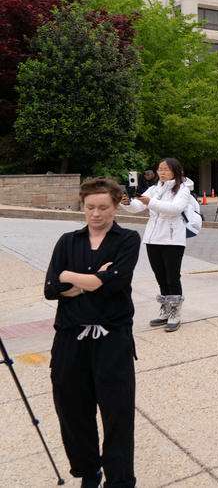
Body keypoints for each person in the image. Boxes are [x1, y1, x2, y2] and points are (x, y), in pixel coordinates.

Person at [44, 177, 141, 488]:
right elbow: (52, 288)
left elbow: (114, 282)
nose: (96, 213)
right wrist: (94, 277)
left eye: (103, 207)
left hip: (112, 337)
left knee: (117, 412)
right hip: (70, 337)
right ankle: (89, 470)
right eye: (90, 207)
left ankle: (120, 479)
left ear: (115, 206)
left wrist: (78, 280)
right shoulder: (67, 241)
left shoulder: (127, 240)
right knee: (71, 408)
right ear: (82, 207)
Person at [119, 157, 194, 332]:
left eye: (165, 169)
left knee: (172, 277)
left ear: (175, 171)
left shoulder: (183, 190)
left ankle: (175, 312)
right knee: (160, 276)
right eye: (159, 169)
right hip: (152, 238)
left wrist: (149, 202)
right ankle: (166, 310)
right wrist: (127, 203)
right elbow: (138, 206)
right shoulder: (154, 189)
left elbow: (175, 209)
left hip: (172, 239)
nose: (161, 172)